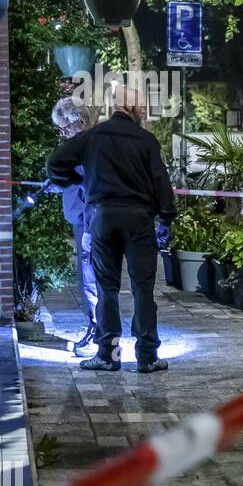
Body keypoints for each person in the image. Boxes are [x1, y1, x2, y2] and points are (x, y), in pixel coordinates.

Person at [48, 81, 177, 373]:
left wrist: (76, 181)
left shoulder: (92, 137)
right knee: (143, 289)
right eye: (141, 105)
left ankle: (108, 354)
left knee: (107, 289)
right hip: (139, 220)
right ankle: (147, 356)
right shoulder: (146, 140)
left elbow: (55, 164)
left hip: (102, 219)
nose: (144, 110)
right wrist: (166, 218)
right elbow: (161, 183)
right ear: (131, 108)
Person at [49, 97, 98, 355]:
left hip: (89, 222)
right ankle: (98, 329)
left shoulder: (87, 147)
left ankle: (98, 331)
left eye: (65, 128)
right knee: (89, 275)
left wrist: (89, 227)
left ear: (79, 122)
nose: (63, 134)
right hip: (83, 220)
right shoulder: (80, 147)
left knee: (91, 276)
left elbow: (88, 187)